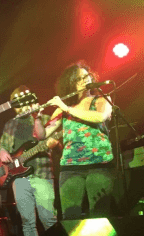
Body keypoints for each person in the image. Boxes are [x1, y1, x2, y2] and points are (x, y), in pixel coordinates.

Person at [46, 61, 114, 220]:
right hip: (70, 167)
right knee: (70, 217)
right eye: (79, 79)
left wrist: (67, 108)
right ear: (70, 84)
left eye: (86, 76)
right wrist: (37, 117)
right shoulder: (62, 108)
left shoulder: (101, 100)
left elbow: (100, 117)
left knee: (100, 217)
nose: (85, 80)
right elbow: (45, 133)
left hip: (99, 163)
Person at [0, 85, 57, 236]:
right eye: (16, 104)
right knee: (27, 222)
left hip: (42, 174)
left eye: (22, 102)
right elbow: (2, 146)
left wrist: (53, 142)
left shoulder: (45, 118)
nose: (20, 107)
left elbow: (54, 140)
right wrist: (2, 151)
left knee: (48, 219)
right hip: (19, 179)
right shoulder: (10, 124)